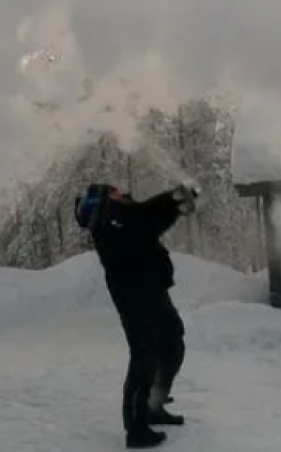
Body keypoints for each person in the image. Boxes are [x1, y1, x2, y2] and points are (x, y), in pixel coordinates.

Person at [75, 182, 199, 449]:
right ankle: (136, 427)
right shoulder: (106, 217)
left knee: (173, 343)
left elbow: (145, 214)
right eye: (116, 190)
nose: (123, 191)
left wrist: (175, 197)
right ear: (106, 196)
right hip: (133, 295)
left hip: (153, 288)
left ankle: (154, 404)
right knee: (144, 354)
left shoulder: (121, 213)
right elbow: (144, 225)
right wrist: (175, 202)